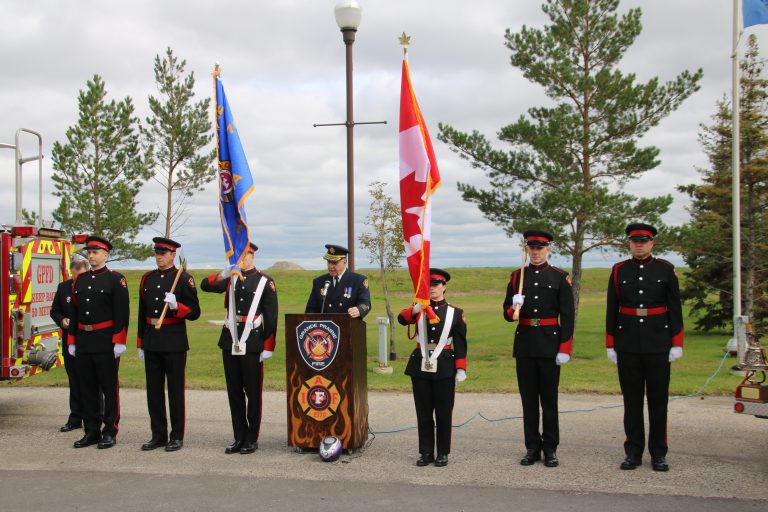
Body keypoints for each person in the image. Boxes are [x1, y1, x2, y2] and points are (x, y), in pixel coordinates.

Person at [605, 223, 684, 472]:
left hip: (658, 343)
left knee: (658, 401)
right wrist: (611, 344)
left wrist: (676, 342)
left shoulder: (666, 270)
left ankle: (659, 453)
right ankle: (633, 452)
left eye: (644, 241)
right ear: (629, 243)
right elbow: (611, 310)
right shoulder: (619, 271)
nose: (639, 245)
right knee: (632, 401)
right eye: (634, 241)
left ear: (652, 243)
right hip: (628, 342)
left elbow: (675, 309)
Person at [503, 230, 574, 468]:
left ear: (548, 249)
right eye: (531, 248)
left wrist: (565, 348)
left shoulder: (559, 277)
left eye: (539, 248)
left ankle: (551, 448)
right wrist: (514, 307)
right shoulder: (516, 277)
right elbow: (506, 314)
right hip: (525, 345)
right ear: (526, 249)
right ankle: (532, 447)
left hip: (550, 345)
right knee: (529, 401)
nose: (535, 252)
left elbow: (568, 316)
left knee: (549, 401)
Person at [201, 242, 277, 454]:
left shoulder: (265, 282)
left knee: (252, 393)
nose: (241, 260)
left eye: (245, 255)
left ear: (253, 256)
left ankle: (251, 438)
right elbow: (205, 286)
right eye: (237, 256)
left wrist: (268, 345)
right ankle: (238, 436)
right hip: (230, 339)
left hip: (252, 342)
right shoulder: (230, 278)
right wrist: (225, 273)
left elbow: (271, 317)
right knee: (234, 392)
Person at [398, 268, 467, 467]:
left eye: (436, 285)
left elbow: (461, 343)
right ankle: (426, 452)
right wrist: (415, 309)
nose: (433, 289)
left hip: (444, 364)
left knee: (444, 412)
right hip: (420, 363)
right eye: (429, 286)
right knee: (424, 412)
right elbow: (402, 320)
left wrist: (461, 368)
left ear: (444, 287)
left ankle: (443, 452)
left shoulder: (456, 312)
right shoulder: (419, 308)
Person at [137, 237, 200, 452]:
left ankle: (177, 436)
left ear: (173, 255)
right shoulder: (147, 279)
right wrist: (140, 343)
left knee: (175, 391)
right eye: (157, 253)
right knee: (153, 391)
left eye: (163, 253)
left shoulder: (183, 279)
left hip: (174, 341)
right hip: (152, 340)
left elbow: (195, 312)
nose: (159, 257)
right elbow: (141, 313)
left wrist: (177, 305)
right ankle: (158, 435)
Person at [67, 235, 129, 449]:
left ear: (105, 255)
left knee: (109, 388)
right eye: (89, 252)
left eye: (95, 252)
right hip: (84, 340)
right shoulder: (80, 280)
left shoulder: (115, 280)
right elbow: (74, 313)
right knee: (87, 388)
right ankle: (91, 431)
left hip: (105, 341)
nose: (91, 256)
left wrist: (119, 341)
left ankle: (110, 431)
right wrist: (72, 341)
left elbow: (122, 312)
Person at [50, 257, 90, 432]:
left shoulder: (93, 286)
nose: (77, 279)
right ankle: (75, 418)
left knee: (91, 381)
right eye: (74, 275)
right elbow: (54, 310)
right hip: (69, 339)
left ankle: (96, 415)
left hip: (88, 339)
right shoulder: (64, 287)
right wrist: (62, 320)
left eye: (80, 275)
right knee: (74, 380)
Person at [305, 244, 371, 318]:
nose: (330, 266)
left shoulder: (358, 280)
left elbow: (365, 303)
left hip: (347, 326)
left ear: (345, 262)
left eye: (334, 263)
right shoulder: (319, 282)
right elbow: (310, 309)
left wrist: (359, 310)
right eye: (328, 262)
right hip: (324, 328)